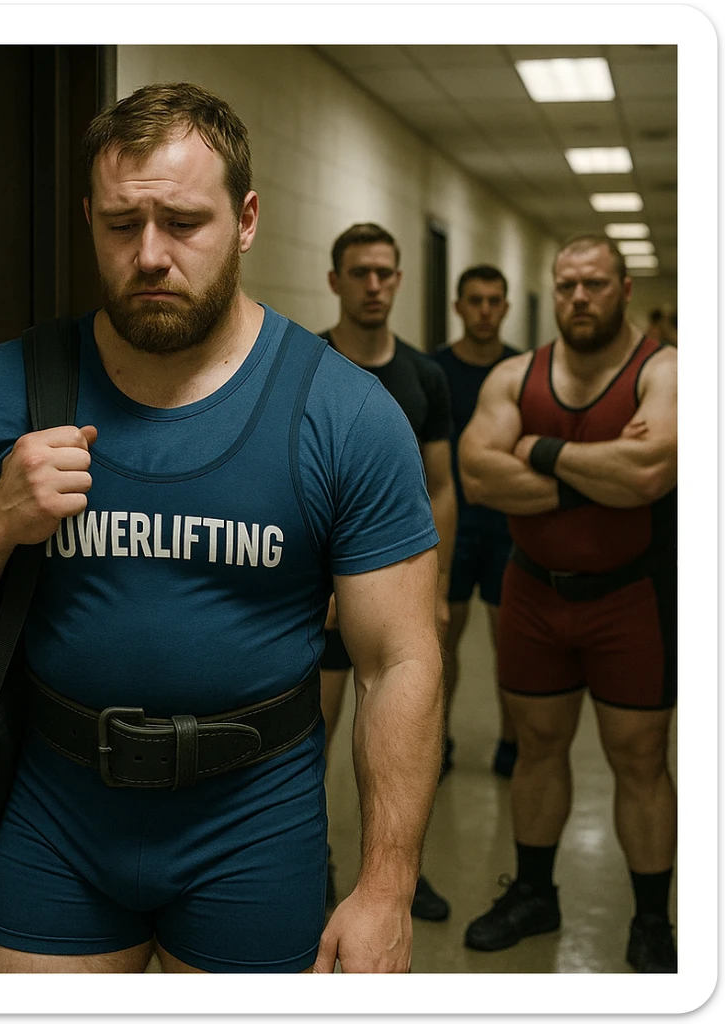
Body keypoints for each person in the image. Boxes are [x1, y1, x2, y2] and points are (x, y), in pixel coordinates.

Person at [0, 83, 444, 974]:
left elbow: (398, 661)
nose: (148, 255)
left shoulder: (342, 413)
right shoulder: (14, 383)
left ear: (245, 220)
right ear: (90, 221)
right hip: (59, 814)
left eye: (182, 223)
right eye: (120, 225)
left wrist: (386, 887)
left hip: (254, 820)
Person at [458, 233, 678, 973]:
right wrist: (602, 475)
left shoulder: (666, 371)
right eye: (566, 285)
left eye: (595, 283)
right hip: (534, 594)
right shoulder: (516, 376)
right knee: (537, 748)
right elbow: (478, 476)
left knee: (640, 759)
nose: (579, 297)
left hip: (632, 598)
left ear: (625, 288)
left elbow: (650, 474)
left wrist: (538, 450)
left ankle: (652, 921)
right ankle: (533, 894)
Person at [317, 223, 456, 923]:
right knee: (308, 744)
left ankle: (399, 873)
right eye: (359, 272)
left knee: (394, 747)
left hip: (396, 599)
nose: (374, 286)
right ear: (335, 281)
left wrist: (435, 589)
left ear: (399, 279)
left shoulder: (425, 376)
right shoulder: (305, 364)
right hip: (319, 606)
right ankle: (314, 869)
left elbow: (441, 488)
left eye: (385, 273)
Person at [430, 265, 520, 778]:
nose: (485, 310)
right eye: (475, 300)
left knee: (511, 644)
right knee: (444, 640)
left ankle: (512, 742)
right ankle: (437, 741)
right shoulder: (435, 371)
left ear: (505, 307)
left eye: (493, 300)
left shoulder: (521, 370)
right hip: (451, 525)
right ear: (458, 307)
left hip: (510, 526)